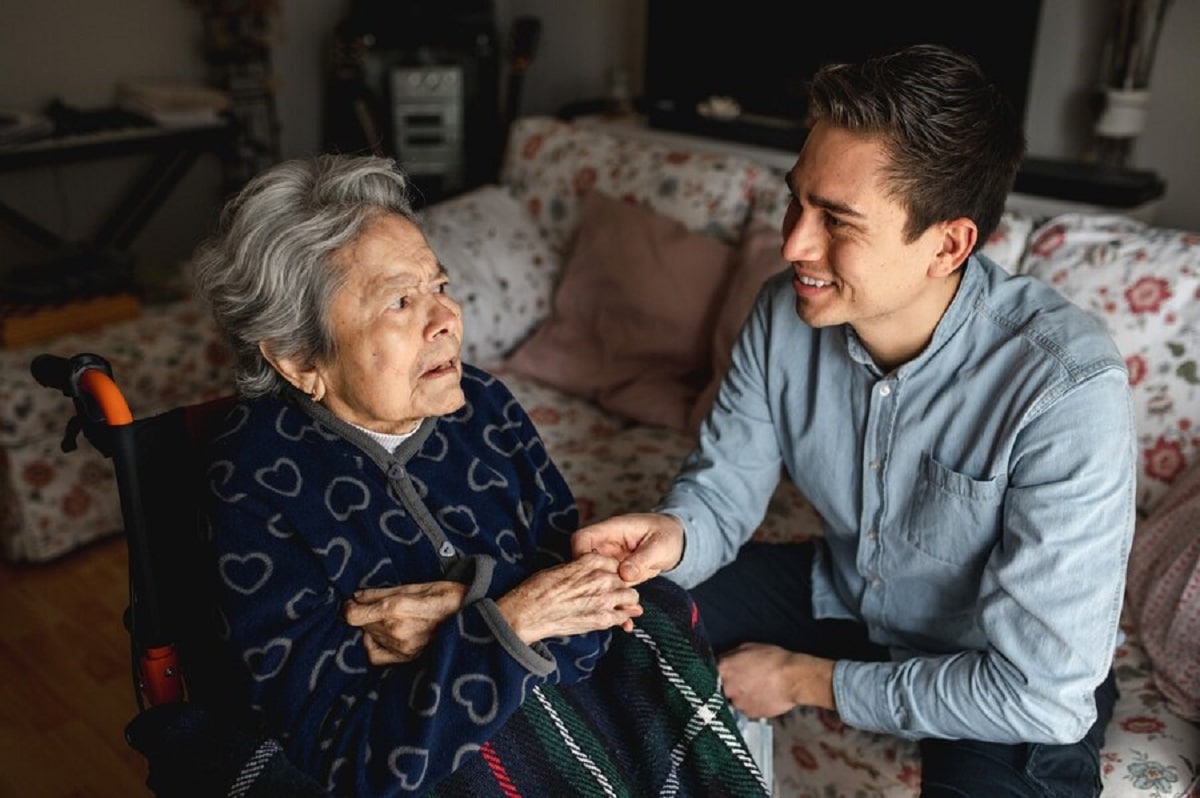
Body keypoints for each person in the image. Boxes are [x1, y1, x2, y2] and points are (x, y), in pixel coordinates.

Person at [573, 43, 1135, 798]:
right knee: (605, 613)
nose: (793, 243)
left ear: (949, 245)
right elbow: (722, 490)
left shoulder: (1066, 388)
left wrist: (806, 681)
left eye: (837, 220)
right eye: (796, 200)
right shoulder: (782, 313)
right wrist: (673, 537)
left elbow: (1041, 691)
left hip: (990, 659)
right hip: (839, 593)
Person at [186, 154, 769, 797]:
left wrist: (466, 613)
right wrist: (511, 621)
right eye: (401, 302)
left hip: (536, 708)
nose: (445, 321)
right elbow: (347, 746)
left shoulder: (484, 405)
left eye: (439, 286)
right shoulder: (254, 476)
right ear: (299, 359)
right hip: (427, 763)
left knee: (658, 610)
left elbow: (593, 613)